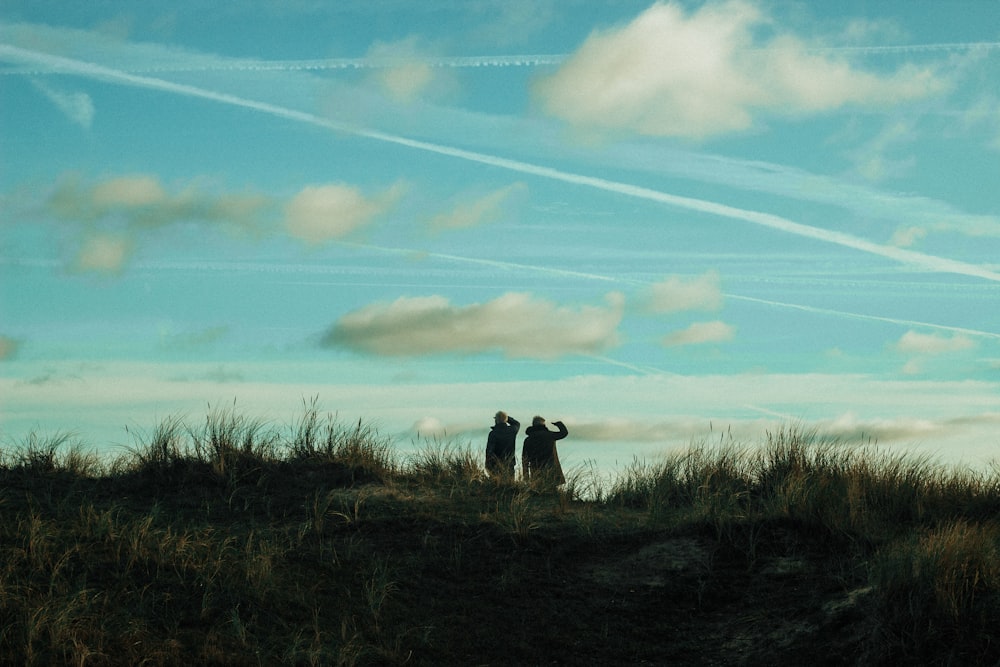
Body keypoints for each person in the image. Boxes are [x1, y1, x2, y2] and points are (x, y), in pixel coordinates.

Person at [521, 416, 569, 487]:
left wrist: (526, 476)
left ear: (533, 425)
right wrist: (559, 424)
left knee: (537, 492)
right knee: (552, 492)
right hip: (551, 468)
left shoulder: (528, 439)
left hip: (535, 469)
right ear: (543, 425)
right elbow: (564, 433)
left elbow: (524, 458)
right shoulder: (550, 435)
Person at [485, 411, 520, 479]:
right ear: (506, 420)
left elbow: (489, 451)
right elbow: (517, 423)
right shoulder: (512, 430)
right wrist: (507, 418)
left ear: (496, 420)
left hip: (495, 465)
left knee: (495, 487)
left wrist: (488, 466)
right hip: (509, 464)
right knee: (509, 486)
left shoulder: (493, 433)